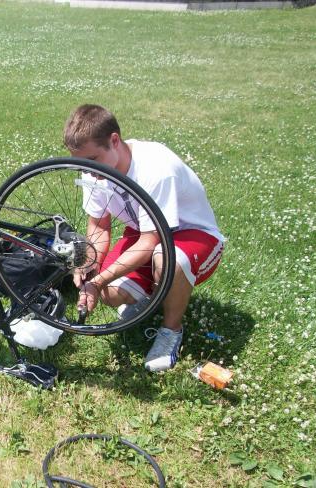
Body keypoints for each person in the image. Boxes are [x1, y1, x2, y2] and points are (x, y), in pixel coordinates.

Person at [64, 104, 224, 372]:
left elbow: (151, 243)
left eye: (92, 160)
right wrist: (89, 266)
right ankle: (156, 296)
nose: (88, 170)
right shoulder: (94, 170)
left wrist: (98, 280)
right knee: (110, 293)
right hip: (144, 233)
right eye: (82, 163)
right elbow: (99, 226)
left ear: (115, 141)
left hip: (193, 235)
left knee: (167, 259)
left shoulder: (156, 168)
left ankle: (171, 330)